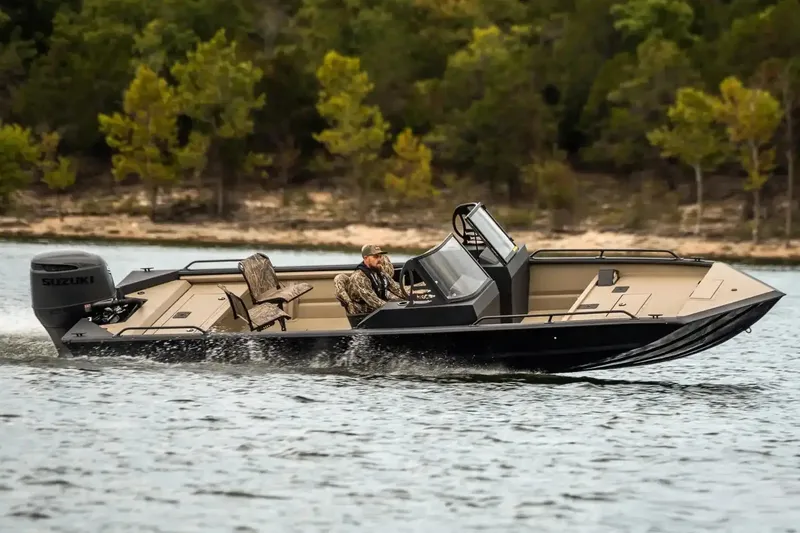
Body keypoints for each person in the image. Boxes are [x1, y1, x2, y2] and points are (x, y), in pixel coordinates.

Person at [348, 244, 404, 314]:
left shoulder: (379, 271)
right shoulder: (359, 277)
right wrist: (397, 308)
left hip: (379, 309)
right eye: (376, 257)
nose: (379, 260)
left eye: (380, 256)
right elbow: (373, 301)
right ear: (366, 258)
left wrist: (412, 297)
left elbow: (396, 288)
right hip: (365, 314)